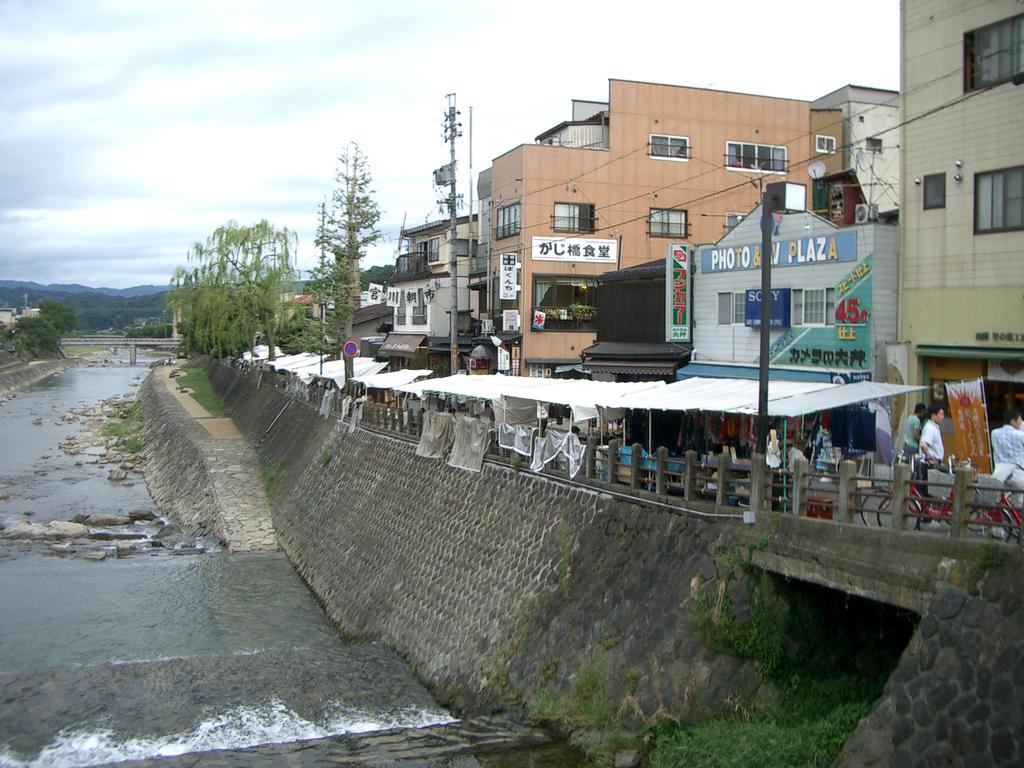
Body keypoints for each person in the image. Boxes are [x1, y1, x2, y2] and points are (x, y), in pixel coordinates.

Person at [991, 408, 1024, 506]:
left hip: (1000, 475)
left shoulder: (994, 433)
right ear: (1013, 421)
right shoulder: (1021, 435)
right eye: (1019, 420)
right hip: (1018, 475)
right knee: (1019, 499)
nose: (1020, 422)